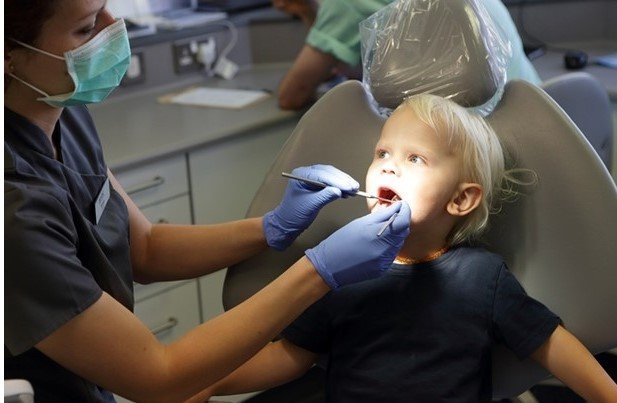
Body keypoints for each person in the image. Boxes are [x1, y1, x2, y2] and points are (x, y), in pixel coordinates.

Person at [4, 1, 412, 402]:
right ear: (9, 56)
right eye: (86, 27)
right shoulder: (14, 211)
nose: (113, 28)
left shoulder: (62, 111)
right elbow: (158, 376)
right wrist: (319, 271)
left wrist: (271, 227)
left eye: (107, 10)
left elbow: (145, 247)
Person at [186, 94, 617, 402]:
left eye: (415, 158)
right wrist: (208, 383)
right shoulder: (340, 271)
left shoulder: (482, 277)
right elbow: (293, 355)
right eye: (382, 152)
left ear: (461, 199)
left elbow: (549, 343)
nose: (389, 166)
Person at [273, 0, 540, 111]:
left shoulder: (343, 3)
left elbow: (292, 95)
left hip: (476, 135)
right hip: (534, 108)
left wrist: (304, 10)